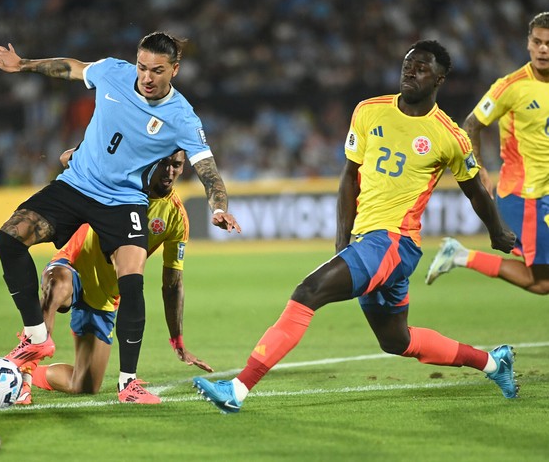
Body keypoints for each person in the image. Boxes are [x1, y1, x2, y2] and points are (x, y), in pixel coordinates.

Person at [193, 40, 519, 414]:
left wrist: (496, 230)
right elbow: (349, 178)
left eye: (421, 68)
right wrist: (342, 241)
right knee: (396, 341)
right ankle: (494, 363)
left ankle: (237, 388)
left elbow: (476, 190)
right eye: (407, 64)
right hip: (371, 242)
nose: (410, 71)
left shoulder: (449, 135)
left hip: (396, 242)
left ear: (440, 80)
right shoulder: (368, 111)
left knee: (308, 291)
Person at [0, 32, 240, 403]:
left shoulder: (182, 117)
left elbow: (209, 171)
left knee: (133, 282)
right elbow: (71, 67)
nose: (147, 77)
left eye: (157, 70)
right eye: (142, 67)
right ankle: (36, 337)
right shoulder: (112, 72)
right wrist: (23, 64)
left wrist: (218, 208)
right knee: (8, 238)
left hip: (123, 202)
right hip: (76, 184)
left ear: (175, 70)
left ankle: (129, 384)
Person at [16, 149, 213, 405]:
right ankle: (24, 374)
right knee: (57, 288)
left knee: (84, 384)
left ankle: (37, 375)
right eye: (163, 163)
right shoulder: (120, 178)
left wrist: (178, 340)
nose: (169, 171)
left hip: (105, 297)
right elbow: (66, 157)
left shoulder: (175, 216)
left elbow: (172, 283)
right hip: (72, 265)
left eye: (176, 165)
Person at [426, 12, 549, 295]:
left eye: (548, 43)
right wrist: (478, 168)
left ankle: (458, 255)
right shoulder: (511, 86)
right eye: (537, 41)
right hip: (526, 195)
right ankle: (461, 256)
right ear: (528, 44)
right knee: (542, 282)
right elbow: (471, 124)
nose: (543, 49)